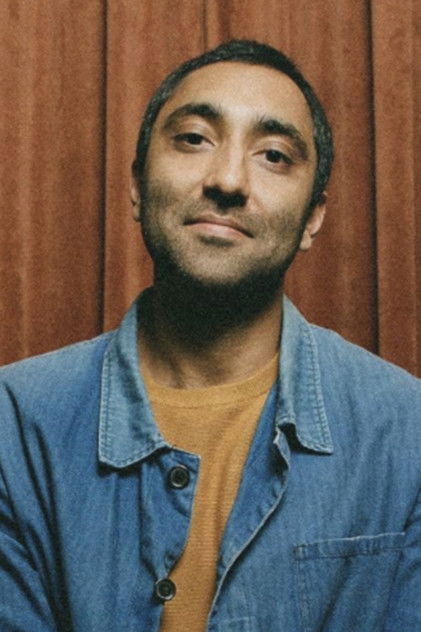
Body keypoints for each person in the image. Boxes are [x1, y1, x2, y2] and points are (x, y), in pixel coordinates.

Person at [0, 40, 420, 632]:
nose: (227, 179)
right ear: (138, 185)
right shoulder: (15, 421)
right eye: (195, 139)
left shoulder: (406, 431)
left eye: (273, 155)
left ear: (313, 219)